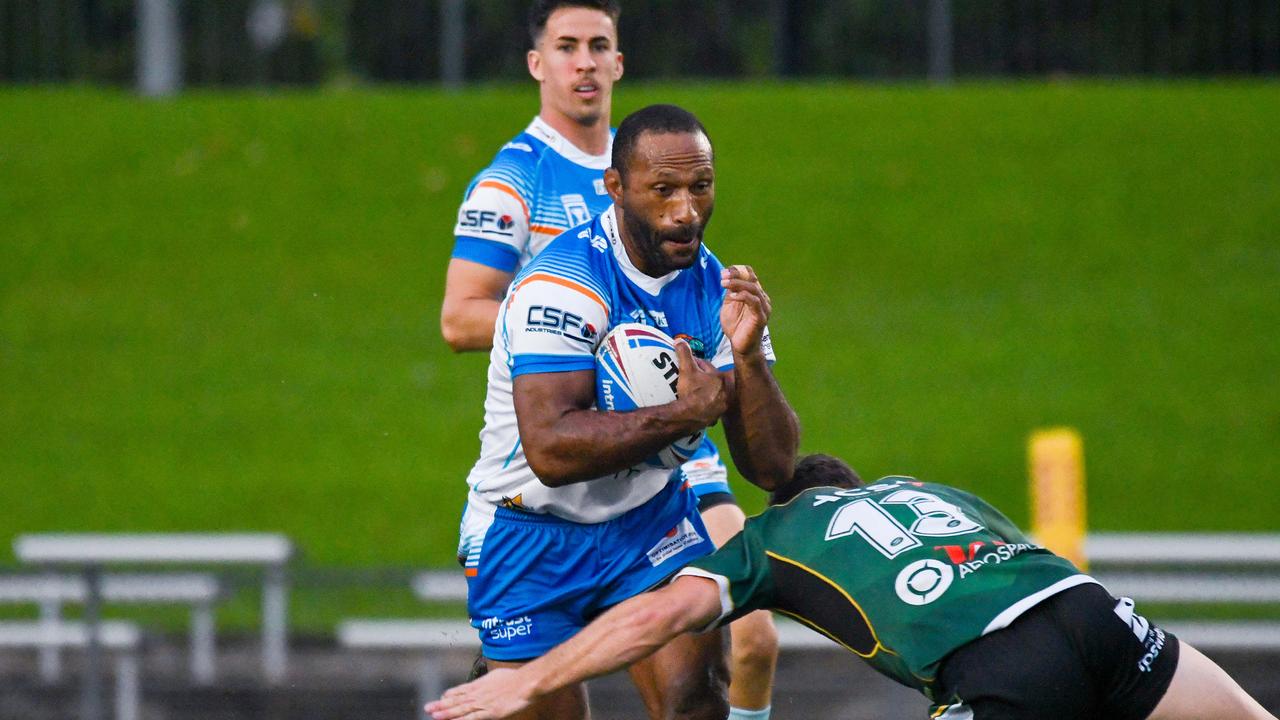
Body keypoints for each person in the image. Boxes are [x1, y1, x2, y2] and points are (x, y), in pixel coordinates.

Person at [439, 2, 779, 716]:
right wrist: (578, 331)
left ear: (620, 60)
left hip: (664, 456)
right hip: (548, 468)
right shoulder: (514, 183)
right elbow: (457, 315)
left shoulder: (665, 168)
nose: (585, 62)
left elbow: (771, 457)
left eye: (600, 46)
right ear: (538, 63)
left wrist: (711, 370)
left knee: (745, 643)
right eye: (567, 46)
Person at [429, 454, 1278, 720]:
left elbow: (656, 618)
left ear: (788, 502)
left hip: (998, 672)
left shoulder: (776, 539)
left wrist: (531, 678)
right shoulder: (931, 491)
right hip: (1090, 610)